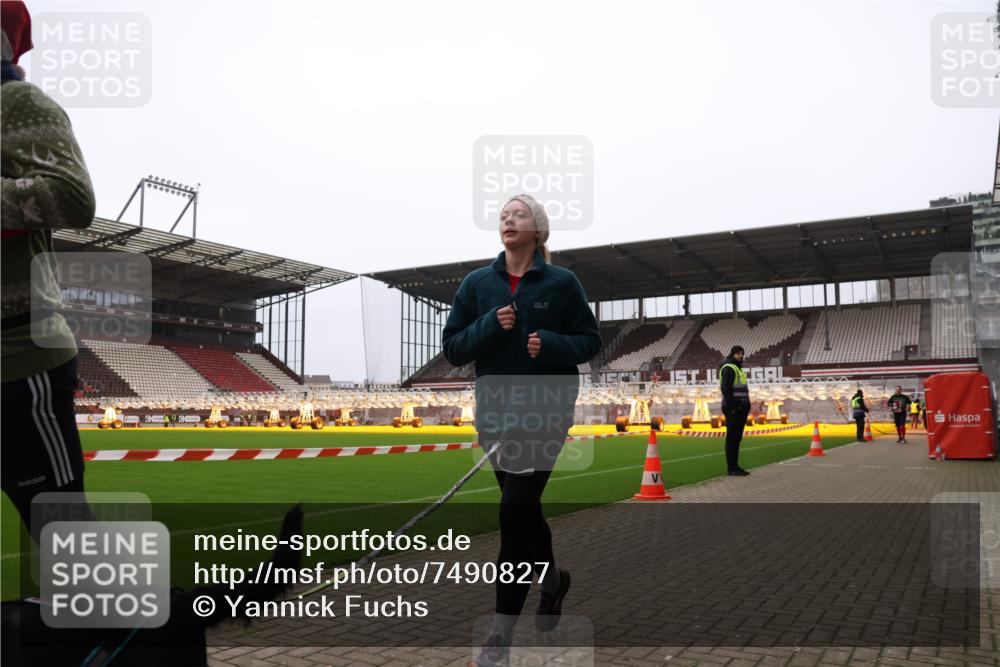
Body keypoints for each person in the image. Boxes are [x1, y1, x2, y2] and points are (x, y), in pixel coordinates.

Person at [442, 193, 601, 667]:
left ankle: (499, 636)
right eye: (504, 216)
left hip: (544, 415)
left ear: (538, 230)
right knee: (526, 514)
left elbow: (589, 341)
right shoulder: (476, 285)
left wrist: (549, 343)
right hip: (494, 418)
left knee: (514, 516)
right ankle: (553, 583)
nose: (509, 220)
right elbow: (453, 348)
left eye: (519, 214)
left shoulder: (563, 282)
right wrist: (490, 324)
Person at [1, 1, 97, 535]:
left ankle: (128, 620)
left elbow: (71, 197)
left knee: (64, 537)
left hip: (16, 360)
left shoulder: (14, 99)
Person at [719, 345, 751, 476]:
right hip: (734, 409)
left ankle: (735, 466)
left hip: (739, 408)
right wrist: (733, 408)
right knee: (732, 438)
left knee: (736, 438)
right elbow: (726, 390)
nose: (741, 356)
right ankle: (732, 468)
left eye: (742, 353)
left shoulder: (737, 367)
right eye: (738, 353)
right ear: (732, 354)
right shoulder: (729, 367)